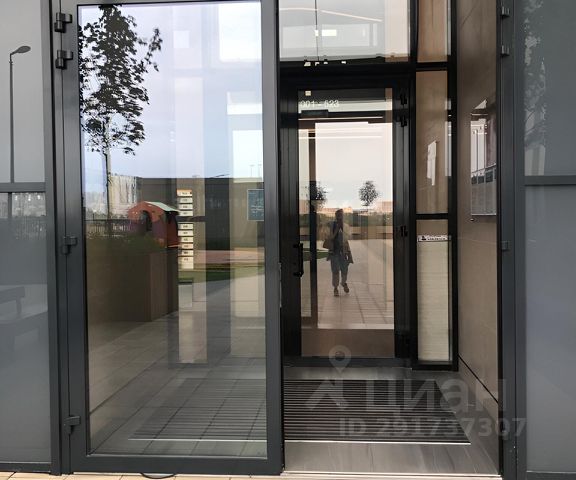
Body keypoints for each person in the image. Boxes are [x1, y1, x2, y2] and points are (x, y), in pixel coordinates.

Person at [325, 209, 353, 296]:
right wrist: (336, 229)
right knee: (335, 271)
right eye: (338, 215)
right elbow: (329, 237)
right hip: (334, 252)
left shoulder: (346, 226)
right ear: (335, 216)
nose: (340, 217)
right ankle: (335, 288)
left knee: (344, 271)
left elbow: (347, 238)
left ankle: (344, 283)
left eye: (341, 215)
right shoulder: (331, 225)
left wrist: (342, 228)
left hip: (344, 252)